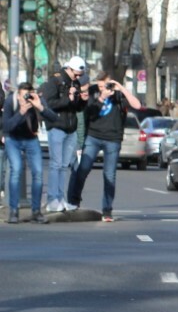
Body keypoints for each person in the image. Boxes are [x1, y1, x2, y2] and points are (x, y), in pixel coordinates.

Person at [64, 75, 141, 222]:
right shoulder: (93, 92)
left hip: (113, 139)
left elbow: (137, 105)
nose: (103, 89)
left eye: (105, 86)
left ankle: (107, 210)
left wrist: (121, 87)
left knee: (109, 175)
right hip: (94, 136)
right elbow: (89, 112)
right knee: (83, 169)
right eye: (100, 86)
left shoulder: (118, 94)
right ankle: (74, 202)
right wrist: (101, 96)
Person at [39, 56, 88, 212]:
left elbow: (77, 108)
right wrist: (69, 98)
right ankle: (52, 199)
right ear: (70, 69)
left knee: (64, 166)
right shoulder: (54, 81)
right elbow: (49, 104)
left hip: (70, 128)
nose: (78, 77)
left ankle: (60, 198)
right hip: (57, 127)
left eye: (81, 75)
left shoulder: (75, 83)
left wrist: (82, 100)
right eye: (77, 74)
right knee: (55, 164)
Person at [3, 82, 52, 224]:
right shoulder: (9, 102)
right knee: (16, 170)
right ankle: (14, 211)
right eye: (23, 95)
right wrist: (21, 112)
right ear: (18, 94)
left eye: (27, 95)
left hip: (31, 140)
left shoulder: (35, 100)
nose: (25, 98)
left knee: (38, 173)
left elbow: (53, 117)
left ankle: (36, 211)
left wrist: (40, 107)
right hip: (13, 139)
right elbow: (7, 126)